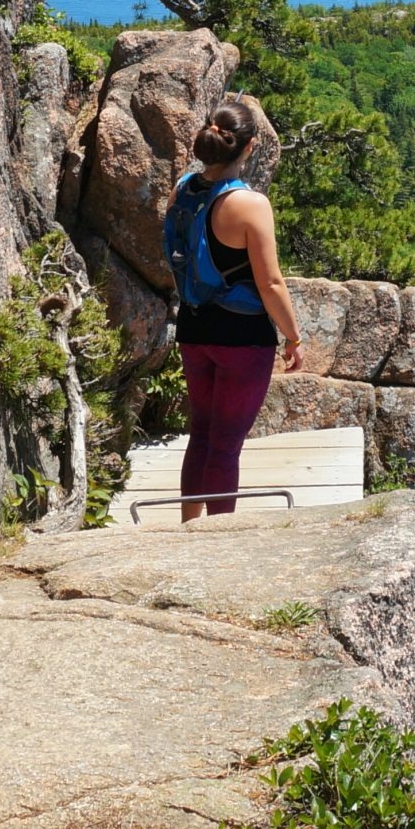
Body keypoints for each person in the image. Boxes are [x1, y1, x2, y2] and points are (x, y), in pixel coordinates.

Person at [164, 97, 302, 521]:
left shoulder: (183, 189)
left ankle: (189, 525)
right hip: (242, 337)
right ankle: (219, 536)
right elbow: (271, 282)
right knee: (226, 443)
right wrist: (293, 337)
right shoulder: (249, 205)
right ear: (249, 146)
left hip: (193, 326)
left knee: (201, 432)